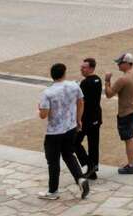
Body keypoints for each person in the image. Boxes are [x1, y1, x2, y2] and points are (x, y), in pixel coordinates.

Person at [37, 62, 90, 201]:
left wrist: (39, 108)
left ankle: (53, 191)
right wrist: (78, 119)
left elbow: (43, 115)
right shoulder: (74, 86)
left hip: (54, 132)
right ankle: (80, 178)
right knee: (69, 154)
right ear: (64, 73)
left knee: (53, 162)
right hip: (71, 127)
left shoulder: (47, 92)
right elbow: (81, 102)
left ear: (52, 75)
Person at [104, 52, 133, 175]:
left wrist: (107, 81)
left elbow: (109, 94)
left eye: (120, 63)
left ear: (127, 64)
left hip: (126, 112)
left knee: (128, 138)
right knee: (132, 133)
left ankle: (131, 165)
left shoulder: (123, 79)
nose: (118, 65)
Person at [74, 57, 102, 180]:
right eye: (81, 67)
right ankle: (93, 170)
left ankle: (89, 165)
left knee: (74, 142)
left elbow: (81, 102)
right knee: (93, 144)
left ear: (91, 68)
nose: (81, 69)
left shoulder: (85, 83)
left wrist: (77, 119)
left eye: (84, 67)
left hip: (86, 119)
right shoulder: (98, 80)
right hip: (96, 117)